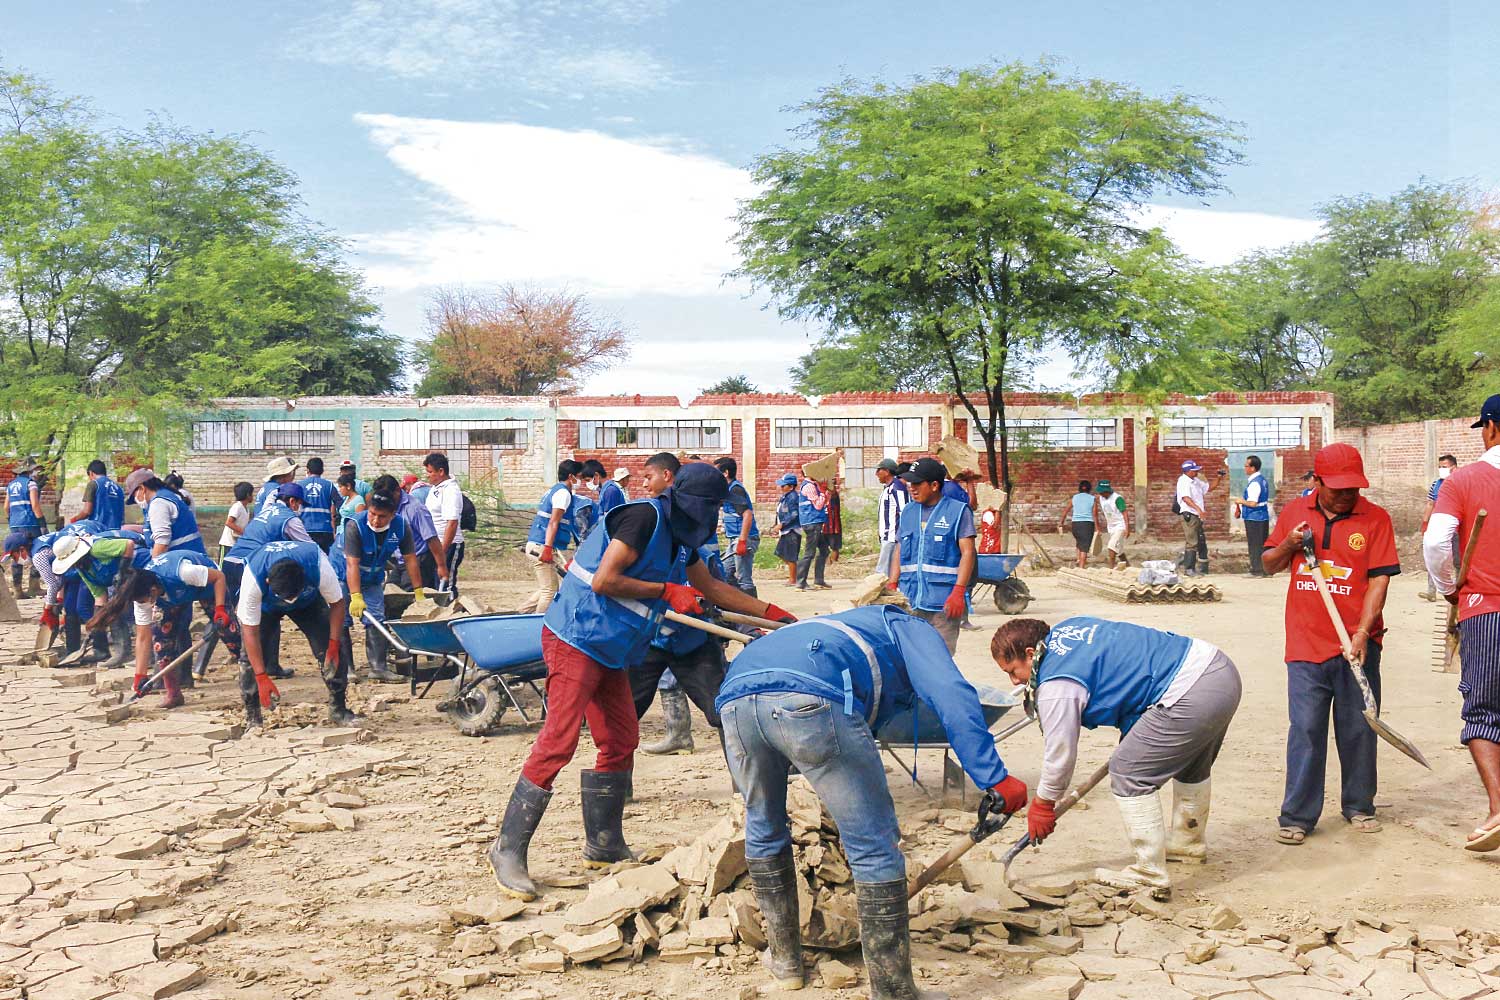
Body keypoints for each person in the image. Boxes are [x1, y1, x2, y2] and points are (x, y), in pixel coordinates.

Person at [489, 462, 795, 901]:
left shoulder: (681, 539)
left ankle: (604, 845)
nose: (711, 516)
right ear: (688, 501)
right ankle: (507, 850)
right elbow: (604, 580)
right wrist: (666, 591)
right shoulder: (642, 518)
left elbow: (711, 588)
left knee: (620, 739)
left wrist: (768, 613)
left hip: (612, 646)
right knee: (559, 741)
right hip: (577, 636)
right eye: (709, 507)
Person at [717, 605, 1027, 997]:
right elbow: (950, 692)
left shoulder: (837, 628)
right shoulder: (910, 627)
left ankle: (786, 964)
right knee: (873, 846)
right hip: (812, 696)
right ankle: (893, 992)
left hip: (735, 701)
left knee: (763, 826)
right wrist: (994, 777)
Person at [991, 616, 1241, 897]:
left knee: (1128, 771)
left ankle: (1149, 874)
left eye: (1013, 671)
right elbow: (1126, 672)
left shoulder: (1056, 685)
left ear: (1029, 654)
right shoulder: (1068, 630)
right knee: (1190, 761)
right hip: (1217, 671)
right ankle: (1187, 844)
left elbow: (1060, 753)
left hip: (1190, 692)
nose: (1015, 681)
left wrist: (1043, 803)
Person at [1262, 442, 1398, 846]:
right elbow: (1268, 563)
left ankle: (1359, 804)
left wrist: (1362, 633)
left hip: (1357, 643)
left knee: (1358, 727)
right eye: (1338, 488)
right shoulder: (1294, 512)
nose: (1346, 495)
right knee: (1306, 728)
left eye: (1353, 488)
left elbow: (1379, 580)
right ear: (1317, 481)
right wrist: (1289, 544)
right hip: (1305, 643)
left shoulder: (1375, 518)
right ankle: (1298, 815)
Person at [1424, 397, 1500, 851]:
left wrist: (1448, 586)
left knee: (1484, 711)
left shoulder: (1463, 480)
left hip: (1485, 608)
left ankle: (1498, 808)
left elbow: (1436, 542)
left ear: (1490, 428)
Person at [86, 548, 231, 709]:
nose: (143, 604)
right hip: (174, 596)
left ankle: (251, 682)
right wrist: (140, 675)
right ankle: (173, 694)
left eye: (144, 601)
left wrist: (220, 609)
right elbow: (143, 637)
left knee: (231, 633)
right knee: (161, 642)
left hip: (209, 586)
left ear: (153, 591)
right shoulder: (141, 595)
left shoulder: (183, 572)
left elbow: (219, 577)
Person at [238, 539, 356, 726]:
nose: (290, 601)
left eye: (293, 595)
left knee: (331, 650)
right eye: (286, 598)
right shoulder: (253, 578)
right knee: (249, 660)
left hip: (308, 604)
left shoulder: (318, 565)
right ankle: (253, 717)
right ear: (268, 582)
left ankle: (338, 709)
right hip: (266, 608)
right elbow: (250, 632)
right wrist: (261, 676)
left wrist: (333, 643)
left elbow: (337, 603)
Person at [634, 541, 732, 755]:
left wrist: (735, 627)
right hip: (649, 639)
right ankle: (613, 775)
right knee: (624, 713)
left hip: (694, 642)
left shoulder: (703, 558)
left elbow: (721, 594)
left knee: (724, 710)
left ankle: (743, 774)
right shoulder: (637, 553)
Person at [889, 458, 975, 654]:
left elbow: (968, 552)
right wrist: (892, 584)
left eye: (917, 483)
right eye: (910, 483)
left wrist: (958, 592)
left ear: (934, 485)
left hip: (943, 605)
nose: (911, 488)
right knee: (910, 658)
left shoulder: (958, 512)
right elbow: (899, 549)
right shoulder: (908, 512)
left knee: (940, 659)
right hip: (910, 602)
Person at [346, 480, 425, 686]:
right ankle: (346, 669)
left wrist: (419, 592)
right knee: (342, 620)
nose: (375, 520)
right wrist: (355, 596)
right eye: (372, 513)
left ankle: (378, 668)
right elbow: (352, 564)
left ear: (392, 514)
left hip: (372, 577)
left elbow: (411, 560)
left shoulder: (401, 527)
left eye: (381, 516)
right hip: (343, 576)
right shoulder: (355, 526)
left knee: (377, 618)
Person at [32, 519, 109, 662]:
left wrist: (48, 610)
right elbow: (58, 577)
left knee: (83, 608)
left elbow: (53, 584)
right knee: (70, 609)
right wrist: (58, 600)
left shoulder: (40, 555)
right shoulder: (57, 545)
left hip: (87, 564)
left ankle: (101, 648)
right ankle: (72, 649)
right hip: (73, 569)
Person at [519, 460, 582, 614]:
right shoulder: (563, 494)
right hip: (541, 546)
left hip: (537, 544)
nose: (580, 481)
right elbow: (553, 522)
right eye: (579, 477)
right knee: (550, 591)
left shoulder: (554, 490)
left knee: (546, 587)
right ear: (571, 476)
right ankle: (538, 623)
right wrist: (547, 548)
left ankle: (520, 613)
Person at [124, 468, 206, 558]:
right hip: (191, 555)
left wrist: (154, 565)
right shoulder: (166, 496)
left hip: (183, 559)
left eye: (134, 497)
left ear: (142, 488)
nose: (136, 501)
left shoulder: (159, 503)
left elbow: (162, 543)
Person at [714, 457, 759, 597]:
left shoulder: (735, 490)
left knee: (744, 579)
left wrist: (742, 541)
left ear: (725, 473)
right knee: (725, 573)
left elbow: (747, 515)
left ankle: (753, 608)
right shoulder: (727, 490)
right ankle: (738, 602)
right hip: (735, 539)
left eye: (716, 473)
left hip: (744, 539)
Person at [393, 476, 447, 592]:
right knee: (390, 589)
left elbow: (431, 538)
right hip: (401, 559)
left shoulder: (415, 507)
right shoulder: (390, 507)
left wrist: (441, 565)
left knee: (410, 593)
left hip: (419, 558)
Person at [424, 451, 466, 597]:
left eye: (430, 472)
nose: (428, 475)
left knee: (445, 585)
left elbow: (452, 523)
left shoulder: (450, 491)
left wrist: (442, 552)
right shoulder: (435, 488)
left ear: (441, 471)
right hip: (434, 544)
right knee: (433, 585)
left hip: (448, 545)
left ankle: (451, 608)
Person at [1175, 460, 1223, 577]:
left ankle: (1192, 566)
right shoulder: (1183, 482)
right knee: (1192, 541)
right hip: (1190, 515)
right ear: (1188, 471)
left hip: (1196, 515)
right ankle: (1189, 569)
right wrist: (1198, 509)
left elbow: (1209, 488)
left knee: (1198, 541)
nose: (1197, 472)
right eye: (1194, 470)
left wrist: (1219, 478)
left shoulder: (1196, 481)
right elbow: (1186, 498)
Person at [1422, 454, 1460, 600]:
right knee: (1434, 558)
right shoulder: (1436, 484)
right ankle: (1431, 591)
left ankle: (1459, 590)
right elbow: (1430, 504)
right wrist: (1425, 522)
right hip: (1438, 527)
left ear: (1453, 467)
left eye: (1444, 467)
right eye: (1440, 467)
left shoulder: (1461, 483)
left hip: (1456, 528)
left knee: (1458, 561)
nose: (1441, 469)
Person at [5, 463, 42, 595]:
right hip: (30, 523)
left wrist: (11, 520)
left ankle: (18, 590)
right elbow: (35, 505)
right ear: (29, 472)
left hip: (15, 524)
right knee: (38, 552)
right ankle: (34, 587)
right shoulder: (31, 484)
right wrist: (42, 523)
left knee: (17, 554)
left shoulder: (10, 485)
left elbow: (6, 507)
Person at [1233, 455, 1272, 577]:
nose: (1244, 468)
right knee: (1262, 543)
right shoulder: (1262, 480)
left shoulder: (1254, 483)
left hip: (1254, 517)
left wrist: (1240, 501)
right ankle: (1265, 569)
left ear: (1253, 468)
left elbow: (1252, 503)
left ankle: (1256, 570)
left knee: (1254, 544)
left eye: (1246, 466)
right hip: (1263, 516)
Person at [794, 474, 831, 591]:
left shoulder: (813, 485)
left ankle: (819, 580)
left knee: (824, 550)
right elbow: (819, 505)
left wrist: (825, 492)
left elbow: (824, 502)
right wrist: (823, 491)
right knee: (809, 553)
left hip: (814, 523)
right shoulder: (810, 486)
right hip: (812, 523)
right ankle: (801, 582)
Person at [1059, 480, 1104, 569]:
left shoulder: (1075, 498)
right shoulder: (1092, 499)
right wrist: (1097, 528)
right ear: (1089, 488)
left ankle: (1078, 560)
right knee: (1084, 548)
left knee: (1079, 543)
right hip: (1087, 525)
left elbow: (1065, 511)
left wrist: (1061, 523)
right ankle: (1081, 568)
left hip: (1075, 525)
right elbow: (1095, 515)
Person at [875, 458, 908, 577]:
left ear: (887, 471)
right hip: (887, 537)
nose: (876, 474)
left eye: (879, 470)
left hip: (892, 537)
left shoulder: (896, 488)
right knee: (886, 571)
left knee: (882, 573)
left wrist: (900, 536)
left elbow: (904, 512)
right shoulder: (888, 488)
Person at [298, 457, 339, 553]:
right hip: (325, 529)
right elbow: (340, 504)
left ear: (308, 470)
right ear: (322, 470)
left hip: (305, 528)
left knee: (307, 557)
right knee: (325, 558)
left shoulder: (299, 485)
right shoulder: (329, 485)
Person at [71, 460, 125, 530]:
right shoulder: (118, 488)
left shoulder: (93, 484)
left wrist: (74, 520)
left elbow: (87, 511)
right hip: (116, 529)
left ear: (91, 473)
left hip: (98, 529)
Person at [770, 473, 801, 586]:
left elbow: (794, 514)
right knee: (780, 552)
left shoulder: (793, 497)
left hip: (791, 530)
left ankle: (793, 579)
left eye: (784, 486)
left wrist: (782, 524)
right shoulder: (785, 497)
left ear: (791, 487)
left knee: (790, 555)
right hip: (786, 530)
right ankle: (796, 574)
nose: (781, 488)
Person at [1097, 479, 1130, 569]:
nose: (1100, 494)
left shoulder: (1117, 499)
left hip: (1120, 525)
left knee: (1111, 546)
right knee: (1119, 550)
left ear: (1106, 491)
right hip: (1111, 527)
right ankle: (1128, 566)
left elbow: (1125, 513)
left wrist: (1127, 528)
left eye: (1102, 492)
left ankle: (1111, 568)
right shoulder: (1101, 498)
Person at [219, 482, 254, 562]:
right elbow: (229, 523)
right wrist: (244, 532)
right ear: (248, 495)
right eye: (252, 494)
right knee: (223, 566)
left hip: (236, 544)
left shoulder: (246, 509)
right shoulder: (237, 507)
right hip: (227, 543)